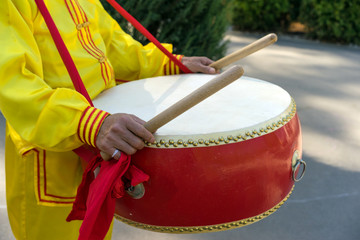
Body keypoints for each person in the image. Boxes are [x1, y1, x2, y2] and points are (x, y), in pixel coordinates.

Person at [0, 0, 217, 239]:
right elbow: (12, 83)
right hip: (51, 160)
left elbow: (112, 44)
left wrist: (167, 62)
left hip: (102, 141)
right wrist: (92, 124)